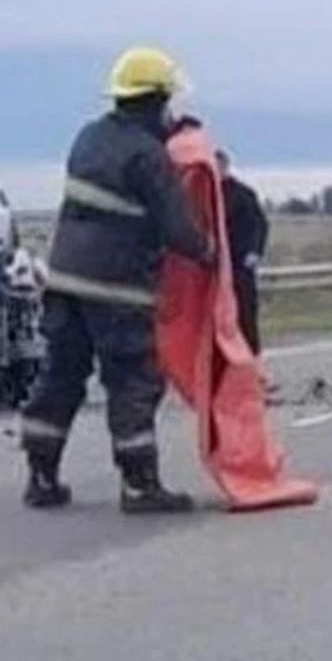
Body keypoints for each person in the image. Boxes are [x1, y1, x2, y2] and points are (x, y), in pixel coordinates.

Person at [21, 48, 215, 513]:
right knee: (133, 380)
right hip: (117, 289)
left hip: (65, 282)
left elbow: (118, 166)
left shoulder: (89, 138)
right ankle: (139, 485)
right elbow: (177, 228)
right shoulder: (149, 155)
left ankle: (41, 477)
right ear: (157, 99)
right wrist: (208, 252)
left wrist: (168, 135)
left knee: (60, 375)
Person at [217, 150, 270, 354]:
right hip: (213, 265)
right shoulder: (203, 194)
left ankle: (253, 364)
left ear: (225, 166)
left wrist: (254, 251)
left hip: (239, 264)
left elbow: (259, 225)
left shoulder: (243, 194)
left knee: (245, 314)